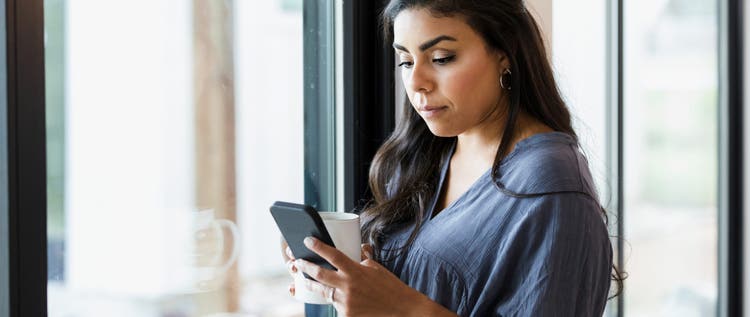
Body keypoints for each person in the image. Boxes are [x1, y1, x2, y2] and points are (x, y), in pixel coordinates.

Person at [282, 0, 624, 315]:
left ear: (505, 53)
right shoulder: (430, 152)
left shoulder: (552, 186)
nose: (416, 82)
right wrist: (355, 273)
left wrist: (405, 309)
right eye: (405, 61)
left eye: (442, 58)